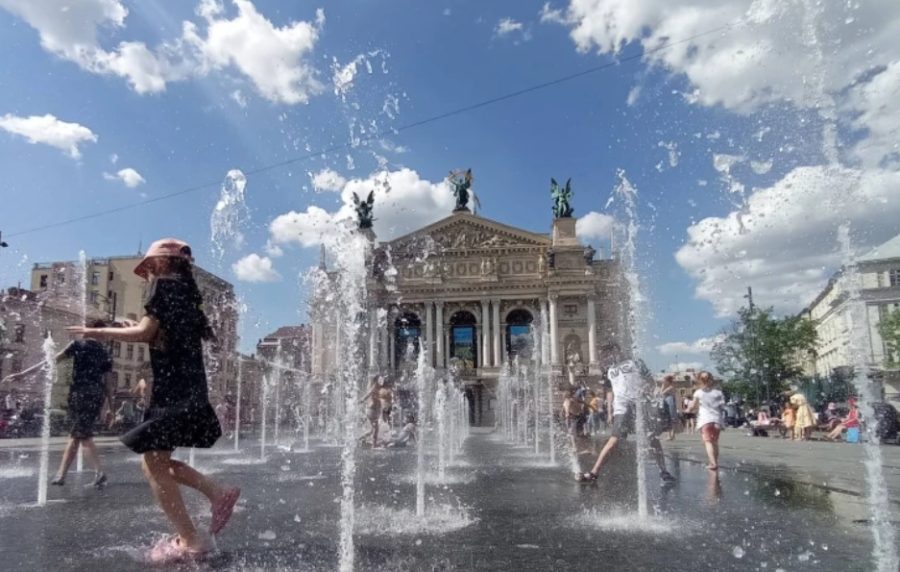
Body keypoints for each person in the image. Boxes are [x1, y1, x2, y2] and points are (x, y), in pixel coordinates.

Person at [67, 238, 239, 563]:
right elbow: (164, 333)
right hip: (189, 383)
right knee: (156, 461)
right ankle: (217, 496)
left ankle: (193, 538)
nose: (147, 273)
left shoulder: (162, 286)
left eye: (149, 266)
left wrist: (97, 333)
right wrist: (141, 327)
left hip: (172, 386)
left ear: (160, 263)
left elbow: (147, 334)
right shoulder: (190, 293)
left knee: (152, 464)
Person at [3, 320, 114, 487]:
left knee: (83, 435)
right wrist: (111, 407)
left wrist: (23, 374)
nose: (106, 335)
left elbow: (51, 360)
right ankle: (61, 475)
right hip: (96, 395)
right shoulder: (106, 352)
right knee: (75, 434)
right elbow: (108, 382)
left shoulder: (78, 344)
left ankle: (100, 472)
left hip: (80, 393)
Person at [577, 345, 676, 483]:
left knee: (652, 438)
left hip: (640, 404)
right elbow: (610, 392)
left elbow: (649, 381)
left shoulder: (636, 362)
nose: (609, 357)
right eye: (607, 355)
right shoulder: (608, 370)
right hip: (621, 407)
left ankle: (663, 471)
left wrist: (650, 393)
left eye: (611, 353)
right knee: (614, 439)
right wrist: (610, 412)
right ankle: (594, 472)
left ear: (619, 351)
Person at [688, 371, 725, 471]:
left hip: (705, 420)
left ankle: (713, 463)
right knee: (715, 442)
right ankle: (715, 461)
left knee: (708, 442)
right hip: (717, 420)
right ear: (712, 380)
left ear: (700, 381)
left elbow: (692, 406)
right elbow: (722, 406)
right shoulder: (718, 392)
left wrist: (688, 409)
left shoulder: (698, 392)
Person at [360, 375, 384, 447]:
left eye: (382, 379)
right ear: (376, 380)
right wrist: (362, 400)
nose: (381, 381)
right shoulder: (374, 387)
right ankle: (374, 445)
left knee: (372, 430)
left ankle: (358, 440)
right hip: (372, 410)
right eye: (380, 379)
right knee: (376, 429)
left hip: (374, 411)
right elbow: (368, 394)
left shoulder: (379, 388)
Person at [563, 386, 587, 453]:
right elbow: (583, 403)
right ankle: (580, 447)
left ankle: (574, 447)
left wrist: (567, 414)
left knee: (571, 433)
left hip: (572, 417)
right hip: (578, 416)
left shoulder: (568, 400)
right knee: (576, 433)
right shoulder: (575, 399)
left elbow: (567, 408)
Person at [659, 375, 678, 440]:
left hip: (670, 402)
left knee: (672, 418)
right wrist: (663, 385)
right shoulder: (667, 386)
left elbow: (661, 393)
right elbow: (660, 393)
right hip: (666, 402)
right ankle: (670, 435)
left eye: (664, 380)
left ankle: (672, 435)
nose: (662, 381)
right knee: (668, 419)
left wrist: (663, 386)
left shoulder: (671, 387)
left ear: (667, 381)